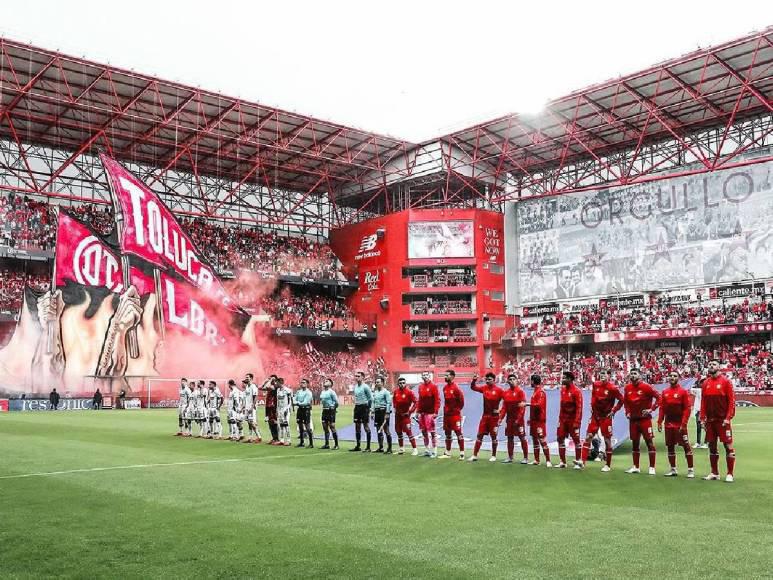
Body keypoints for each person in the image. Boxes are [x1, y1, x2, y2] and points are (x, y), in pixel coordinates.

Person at [579, 369, 623, 472]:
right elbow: (593, 395)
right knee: (589, 436)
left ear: (609, 376)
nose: (602, 375)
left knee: (607, 440)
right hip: (595, 416)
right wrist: (592, 405)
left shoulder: (612, 388)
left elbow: (622, 400)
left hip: (606, 417)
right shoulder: (596, 384)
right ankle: (582, 462)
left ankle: (607, 465)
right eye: (601, 373)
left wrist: (614, 410)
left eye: (605, 374)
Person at [700, 360, 736, 482]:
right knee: (712, 446)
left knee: (728, 446)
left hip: (722, 421)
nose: (711, 366)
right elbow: (703, 402)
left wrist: (728, 418)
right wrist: (702, 418)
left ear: (719, 367)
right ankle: (714, 472)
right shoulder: (705, 383)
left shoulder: (726, 381)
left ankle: (730, 473)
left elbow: (731, 402)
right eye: (709, 364)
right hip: (710, 421)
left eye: (714, 364)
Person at [623, 369, 661, 475]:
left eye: (635, 374)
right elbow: (625, 402)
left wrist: (651, 409)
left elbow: (659, 398)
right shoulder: (627, 388)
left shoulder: (646, 387)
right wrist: (627, 412)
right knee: (635, 443)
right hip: (633, 420)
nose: (633, 375)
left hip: (645, 420)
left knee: (649, 442)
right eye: (631, 374)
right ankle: (636, 467)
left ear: (640, 375)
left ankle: (652, 467)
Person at [658, 371, 695, 478]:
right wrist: (660, 421)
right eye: (671, 375)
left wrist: (683, 423)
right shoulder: (665, 392)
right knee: (670, 446)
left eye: (675, 376)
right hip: (668, 424)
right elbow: (662, 408)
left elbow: (687, 409)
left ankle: (690, 470)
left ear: (678, 378)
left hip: (680, 424)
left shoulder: (683, 392)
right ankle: (673, 469)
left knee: (686, 446)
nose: (672, 377)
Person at [469, 372, 504, 462]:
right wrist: (474, 380)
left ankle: (493, 456)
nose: (487, 381)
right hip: (485, 416)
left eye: (490, 379)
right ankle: (474, 455)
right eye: (486, 379)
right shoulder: (484, 388)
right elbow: (473, 387)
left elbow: (506, 400)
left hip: (494, 417)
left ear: (494, 380)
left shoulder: (499, 390)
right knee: (479, 435)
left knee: (493, 436)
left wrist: (500, 410)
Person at [499, 373, 528, 464]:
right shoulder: (506, 393)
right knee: (509, 438)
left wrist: (518, 419)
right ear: (507, 381)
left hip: (519, 420)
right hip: (509, 419)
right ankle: (510, 457)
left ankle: (525, 458)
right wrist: (500, 418)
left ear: (517, 380)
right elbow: (504, 408)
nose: (511, 381)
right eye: (510, 379)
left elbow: (522, 407)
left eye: (513, 379)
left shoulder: (520, 392)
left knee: (522, 437)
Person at [556, 371, 583, 469]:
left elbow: (579, 407)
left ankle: (578, 462)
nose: (562, 380)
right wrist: (560, 419)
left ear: (570, 379)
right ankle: (563, 462)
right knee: (560, 438)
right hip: (563, 419)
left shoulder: (577, 391)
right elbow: (561, 406)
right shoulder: (562, 390)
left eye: (564, 378)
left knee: (576, 440)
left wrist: (577, 421)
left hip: (573, 420)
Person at [439, 369, 465, 460]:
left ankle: (462, 453)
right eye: (445, 375)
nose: (445, 377)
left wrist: (456, 410)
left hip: (455, 415)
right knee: (447, 433)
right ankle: (448, 453)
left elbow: (461, 402)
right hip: (447, 415)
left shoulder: (456, 388)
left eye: (447, 375)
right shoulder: (445, 388)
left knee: (458, 433)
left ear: (452, 376)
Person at [529, 374, 552, 467]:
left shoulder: (541, 392)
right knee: (534, 439)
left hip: (539, 420)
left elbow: (539, 405)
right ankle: (536, 460)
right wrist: (530, 418)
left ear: (533, 381)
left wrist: (527, 404)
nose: (530, 382)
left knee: (542, 439)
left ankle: (548, 460)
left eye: (531, 381)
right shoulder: (535, 391)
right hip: (534, 420)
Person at [392, 377, 418, 455]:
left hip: (405, 416)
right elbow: (394, 400)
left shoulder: (409, 392)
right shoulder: (396, 392)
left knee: (408, 432)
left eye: (403, 383)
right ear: (398, 384)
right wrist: (395, 407)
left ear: (405, 383)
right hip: (398, 415)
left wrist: (410, 411)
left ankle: (415, 449)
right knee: (398, 432)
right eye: (400, 383)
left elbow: (416, 402)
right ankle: (401, 448)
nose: (402, 384)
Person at [416, 371, 440, 457]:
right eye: (423, 375)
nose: (425, 376)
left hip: (430, 413)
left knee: (432, 432)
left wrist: (436, 412)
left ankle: (434, 450)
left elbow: (437, 400)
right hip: (422, 413)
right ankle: (427, 449)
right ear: (422, 377)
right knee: (423, 432)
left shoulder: (434, 386)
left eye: (426, 375)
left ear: (429, 376)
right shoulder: (420, 386)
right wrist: (417, 411)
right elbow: (420, 400)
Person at [350, 371, 373, 452]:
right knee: (357, 427)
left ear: (363, 377)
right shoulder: (355, 386)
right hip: (357, 407)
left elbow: (370, 399)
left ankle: (368, 447)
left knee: (366, 426)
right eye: (356, 376)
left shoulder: (365, 387)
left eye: (358, 376)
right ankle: (358, 446)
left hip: (364, 407)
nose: (356, 377)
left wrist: (369, 409)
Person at [373, 377, 393, 454]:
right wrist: (372, 411)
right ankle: (381, 447)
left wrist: (387, 413)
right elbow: (374, 402)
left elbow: (389, 403)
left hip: (383, 411)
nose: (377, 383)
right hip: (377, 411)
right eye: (376, 382)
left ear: (382, 383)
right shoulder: (375, 392)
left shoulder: (386, 392)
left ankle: (389, 448)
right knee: (378, 429)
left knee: (386, 430)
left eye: (378, 382)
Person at [319, 378, 339, 450]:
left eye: (327, 381)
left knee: (332, 427)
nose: (325, 381)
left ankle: (336, 444)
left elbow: (337, 402)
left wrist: (333, 408)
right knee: (325, 426)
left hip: (330, 411)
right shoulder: (322, 392)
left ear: (330, 384)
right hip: (324, 410)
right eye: (325, 381)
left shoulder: (332, 392)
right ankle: (327, 444)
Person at [294, 379, 314, 448]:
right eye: (301, 382)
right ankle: (302, 442)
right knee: (300, 426)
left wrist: (298, 403)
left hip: (306, 410)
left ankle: (311, 443)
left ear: (307, 384)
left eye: (304, 382)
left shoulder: (309, 392)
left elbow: (306, 402)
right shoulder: (298, 392)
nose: (302, 384)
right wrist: (297, 402)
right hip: (300, 409)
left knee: (307, 427)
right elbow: (294, 399)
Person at [243, 373, 262, 443]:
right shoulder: (247, 386)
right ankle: (250, 437)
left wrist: (252, 406)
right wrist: (244, 406)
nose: (246, 378)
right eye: (246, 377)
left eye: (247, 377)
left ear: (251, 378)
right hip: (247, 407)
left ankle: (259, 437)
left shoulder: (253, 386)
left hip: (251, 407)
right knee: (249, 422)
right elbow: (247, 397)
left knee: (252, 422)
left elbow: (255, 397)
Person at [276, 378, 294, 446]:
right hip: (280, 409)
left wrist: (287, 409)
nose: (276, 384)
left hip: (285, 410)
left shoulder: (288, 390)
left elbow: (290, 401)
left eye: (277, 382)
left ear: (280, 382)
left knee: (286, 424)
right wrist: (277, 410)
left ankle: (289, 440)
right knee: (280, 425)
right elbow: (278, 401)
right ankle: (282, 440)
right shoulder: (278, 390)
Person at [262, 375, 279, 444]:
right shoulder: (269, 385)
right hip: (268, 406)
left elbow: (266, 387)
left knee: (274, 422)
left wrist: (270, 380)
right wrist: (266, 381)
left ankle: (277, 438)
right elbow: (262, 387)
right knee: (270, 422)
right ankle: (273, 438)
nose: (270, 380)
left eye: (271, 379)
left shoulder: (275, 386)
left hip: (273, 406)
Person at [691, 379, 705, 448]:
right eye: (701, 382)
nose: (701, 384)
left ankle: (706, 442)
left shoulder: (705, 390)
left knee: (705, 427)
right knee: (699, 427)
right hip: (699, 411)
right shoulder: (698, 390)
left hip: (705, 411)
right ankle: (698, 442)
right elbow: (689, 389)